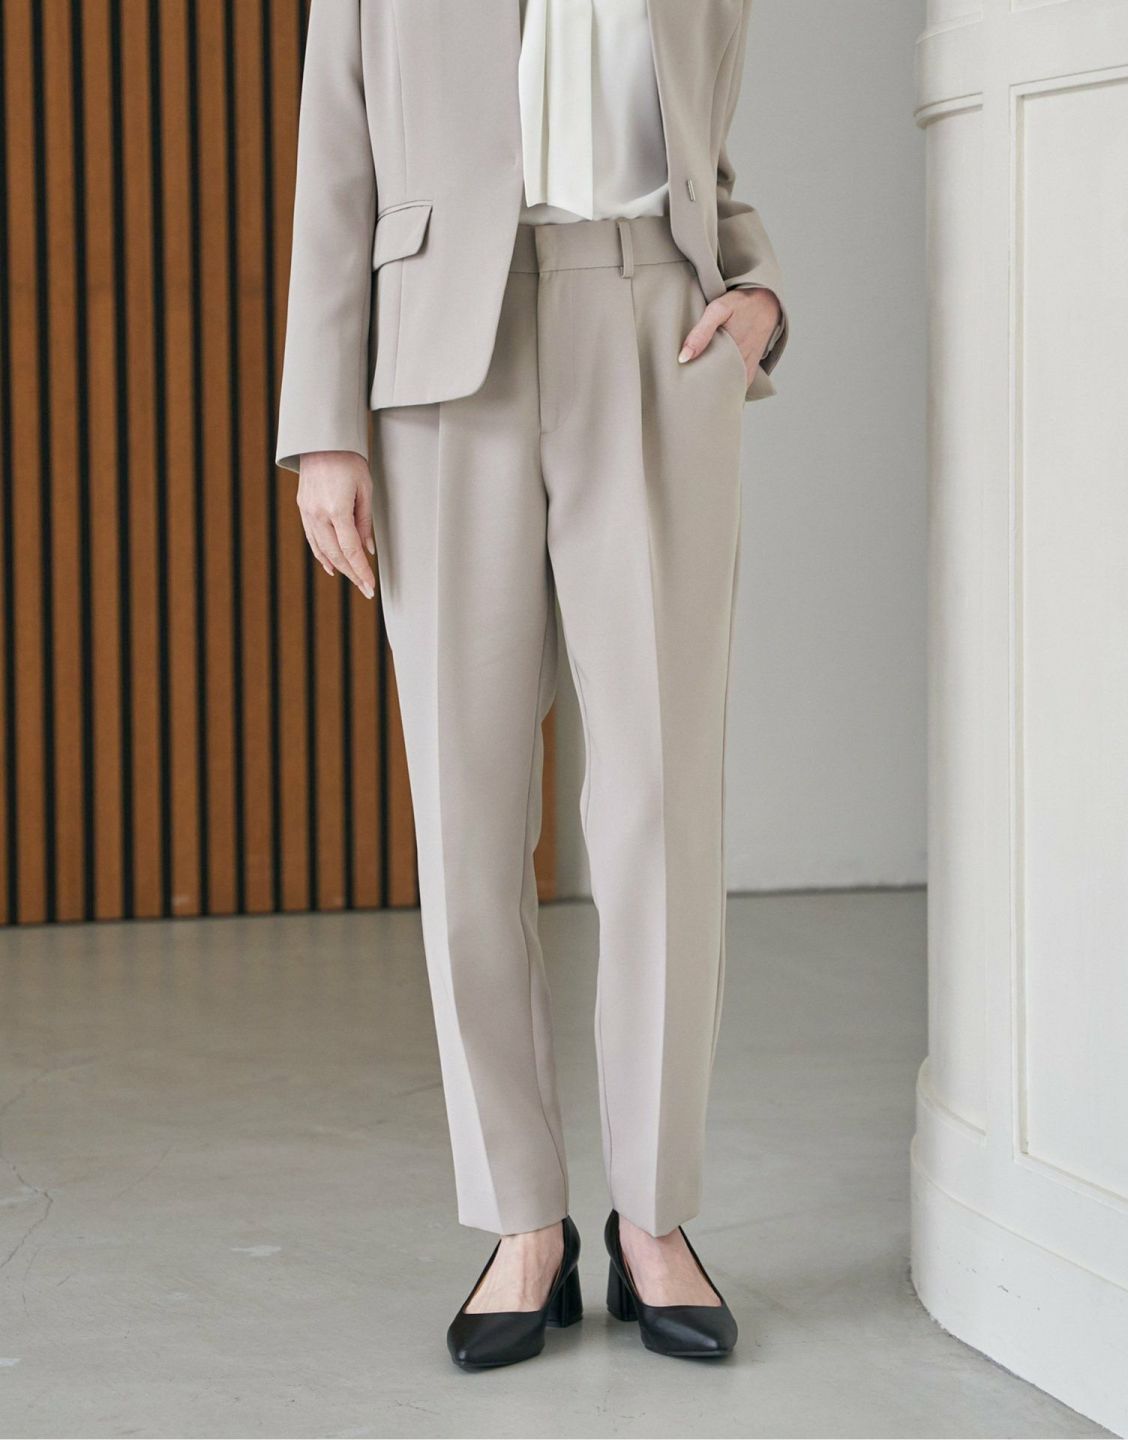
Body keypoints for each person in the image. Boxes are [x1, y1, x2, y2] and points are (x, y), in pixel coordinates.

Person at [275, 0, 787, 1370]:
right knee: (468, 805)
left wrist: (759, 293)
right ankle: (522, 1223)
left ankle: (655, 1219)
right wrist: (322, 424)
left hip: (659, 334)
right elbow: (337, 154)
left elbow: (705, 155)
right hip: (444, 349)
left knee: (662, 804)